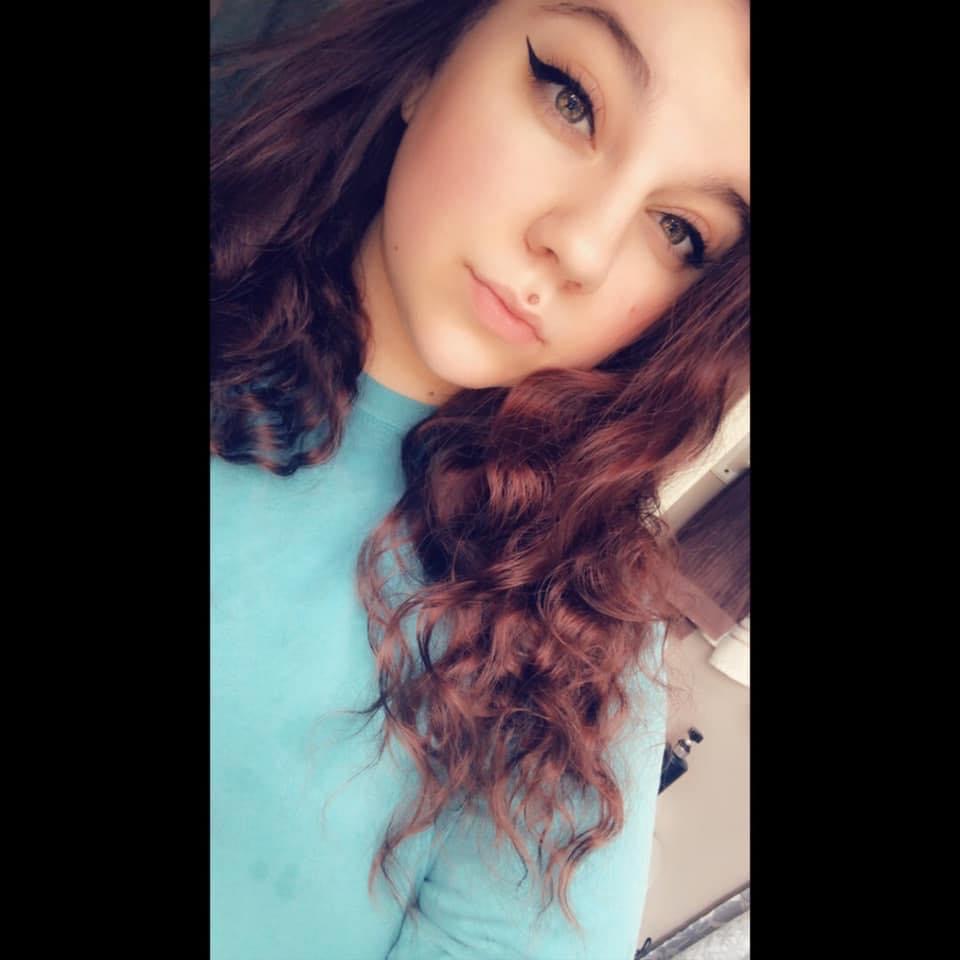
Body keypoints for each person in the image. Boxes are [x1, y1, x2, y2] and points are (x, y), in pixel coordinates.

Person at [210, 1, 749, 958]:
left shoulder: (575, 654)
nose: (581, 247)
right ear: (434, 56)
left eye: (678, 229)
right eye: (572, 98)